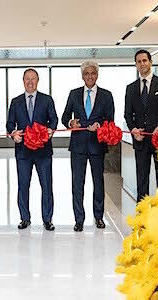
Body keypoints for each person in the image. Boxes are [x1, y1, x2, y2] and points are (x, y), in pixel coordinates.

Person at [61, 61, 115, 232]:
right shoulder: (74, 94)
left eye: (93, 73)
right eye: (86, 73)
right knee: (77, 184)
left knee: (98, 183)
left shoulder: (107, 95)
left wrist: (100, 125)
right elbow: (64, 117)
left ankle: (99, 217)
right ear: (82, 76)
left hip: (97, 146)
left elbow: (110, 120)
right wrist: (71, 122)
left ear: (97, 75)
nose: (90, 76)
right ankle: (79, 219)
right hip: (78, 146)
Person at [6, 68, 58, 231]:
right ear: (23, 81)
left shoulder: (47, 100)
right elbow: (9, 124)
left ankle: (47, 219)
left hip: (43, 151)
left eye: (33, 79)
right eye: (27, 79)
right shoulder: (15, 101)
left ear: (38, 80)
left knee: (46, 185)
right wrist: (13, 134)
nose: (30, 82)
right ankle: (24, 218)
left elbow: (54, 120)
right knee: (23, 185)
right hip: (23, 151)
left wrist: (50, 131)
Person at [124, 50, 158, 202]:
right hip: (140, 141)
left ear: (151, 62)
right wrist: (133, 129)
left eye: (145, 60)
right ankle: (142, 213)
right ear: (136, 65)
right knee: (141, 179)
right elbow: (128, 114)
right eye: (139, 61)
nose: (142, 64)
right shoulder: (131, 88)